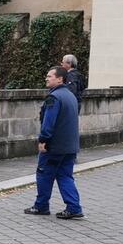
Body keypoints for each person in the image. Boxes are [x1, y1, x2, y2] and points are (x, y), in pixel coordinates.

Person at [25, 66, 84, 219]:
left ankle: (41, 206)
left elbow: (48, 122)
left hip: (55, 146)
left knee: (44, 174)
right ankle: (74, 207)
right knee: (65, 176)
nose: (47, 78)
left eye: (50, 76)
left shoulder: (54, 98)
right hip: (70, 145)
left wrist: (43, 139)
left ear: (60, 79)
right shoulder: (70, 96)